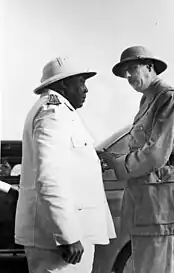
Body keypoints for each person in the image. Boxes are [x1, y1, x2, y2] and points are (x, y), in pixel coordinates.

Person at [99, 46, 174, 273]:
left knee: (158, 267)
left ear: (149, 67)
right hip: (149, 200)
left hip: (162, 201)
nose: (128, 76)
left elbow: (156, 154)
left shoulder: (168, 97)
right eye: (124, 72)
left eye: (132, 68)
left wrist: (120, 164)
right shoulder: (148, 100)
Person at [15, 56, 116, 273]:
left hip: (65, 236)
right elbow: (50, 177)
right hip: (60, 241)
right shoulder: (53, 112)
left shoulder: (61, 113)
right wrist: (67, 235)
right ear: (63, 83)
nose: (85, 89)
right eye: (81, 82)